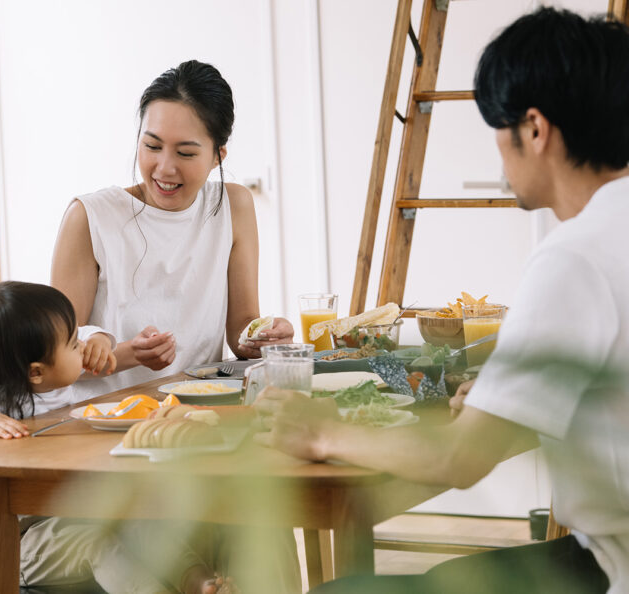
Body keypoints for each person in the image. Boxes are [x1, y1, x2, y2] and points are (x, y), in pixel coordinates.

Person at [254, 8, 629, 594]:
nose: (498, 154)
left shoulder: (573, 258)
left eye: (497, 129)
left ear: (534, 129)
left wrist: (322, 432)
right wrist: (503, 404)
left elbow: (459, 460)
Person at [0, 281, 240, 594]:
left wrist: (99, 338)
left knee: (141, 520)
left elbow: (89, 333)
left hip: (78, 516)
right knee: (102, 544)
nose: (83, 348)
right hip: (27, 546)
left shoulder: (54, 385)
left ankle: (198, 582)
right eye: (74, 344)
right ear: (35, 372)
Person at [50, 60, 294, 396]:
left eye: (185, 153)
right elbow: (54, 358)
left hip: (199, 410)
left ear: (217, 156)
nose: (164, 168)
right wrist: (129, 354)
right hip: (102, 415)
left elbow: (242, 331)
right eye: (152, 146)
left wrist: (265, 337)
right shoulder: (90, 217)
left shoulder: (233, 205)